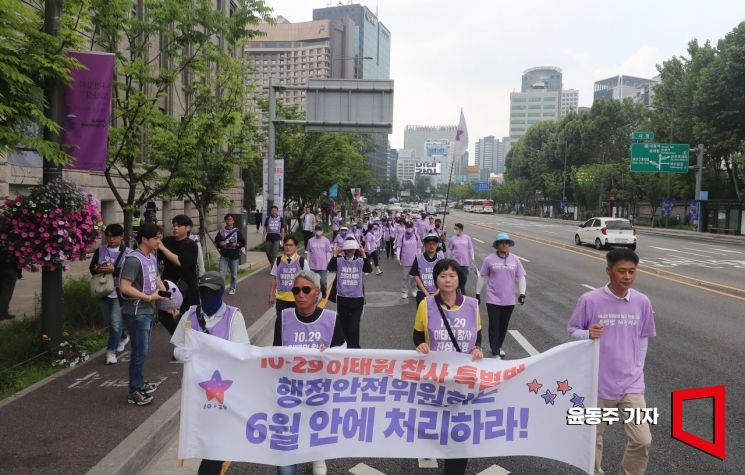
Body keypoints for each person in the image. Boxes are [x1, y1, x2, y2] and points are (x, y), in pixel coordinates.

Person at [568, 248, 655, 475]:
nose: (627, 276)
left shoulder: (642, 302)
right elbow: (572, 329)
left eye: (632, 272)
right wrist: (587, 333)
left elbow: (643, 337)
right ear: (609, 271)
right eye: (621, 271)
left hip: (631, 385)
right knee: (593, 439)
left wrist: (638, 367)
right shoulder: (590, 300)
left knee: (642, 439)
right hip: (597, 383)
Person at [171, 271, 250, 475]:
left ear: (222, 292)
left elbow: (242, 351)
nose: (208, 296)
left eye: (212, 292)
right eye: (204, 291)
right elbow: (177, 346)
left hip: (224, 392)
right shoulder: (190, 315)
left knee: (216, 445)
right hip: (197, 392)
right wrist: (181, 353)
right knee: (203, 438)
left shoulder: (234, 316)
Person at [414, 258, 483, 475]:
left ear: (459, 279)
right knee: (436, 427)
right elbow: (417, 335)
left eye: (452, 275)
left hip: (463, 381)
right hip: (435, 380)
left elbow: (477, 333)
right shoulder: (426, 305)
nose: (447, 280)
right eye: (443, 275)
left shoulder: (472, 305)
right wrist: (421, 344)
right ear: (436, 279)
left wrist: (478, 348)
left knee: (459, 432)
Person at [273, 271, 345, 475]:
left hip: (318, 392)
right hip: (289, 394)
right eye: (296, 290)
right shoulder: (284, 318)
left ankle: (317, 455)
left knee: (315, 429)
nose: (300, 294)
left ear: (317, 293)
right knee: (286, 468)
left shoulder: (331, 319)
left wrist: (330, 354)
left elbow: (343, 353)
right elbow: (274, 355)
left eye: (306, 290)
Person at [119, 223, 171, 406]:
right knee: (140, 351)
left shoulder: (151, 257)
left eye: (159, 237)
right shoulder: (134, 260)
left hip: (147, 311)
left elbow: (157, 280)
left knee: (143, 350)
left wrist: (168, 302)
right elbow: (125, 287)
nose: (159, 241)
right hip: (136, 312)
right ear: (144, 239)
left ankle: (139, 383)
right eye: (156, 237)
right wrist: (148, 298)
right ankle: (134, 390)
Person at [476, 233, 526, 358]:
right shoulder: (489, 259)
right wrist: (477, 293)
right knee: (494, 324)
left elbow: (521, 277)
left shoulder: (515, 259)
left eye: (506, 243)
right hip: (493, 299)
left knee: (503, 325)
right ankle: (495, 351)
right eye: (501, 243)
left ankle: (499, 346)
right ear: (497, 245)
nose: (504, 245)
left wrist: (522, 293)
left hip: (509, 300)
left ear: (509, 245)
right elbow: (482, 277)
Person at [89, 223, 130, 364]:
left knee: (115, 323)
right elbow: (92, 269)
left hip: (118, 293)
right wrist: (98, 268)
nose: (111, 239)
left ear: (122, 237)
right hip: (102, 291)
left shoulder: (128, 253)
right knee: (111, 323)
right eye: (109, 236)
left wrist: (115, 271)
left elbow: (129, 273)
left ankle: (110, 352)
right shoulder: (100, 251)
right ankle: (123, 337)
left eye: (114, 236)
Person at [158, 214, 200, 335]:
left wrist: (163, 248)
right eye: (174, 225)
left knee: (188, 316)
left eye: (179, 225)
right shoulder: (166, 241)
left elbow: (180, 262)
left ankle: (188, 341)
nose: (175, 228)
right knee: (164, 315)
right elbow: (155, 259)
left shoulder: (191, 245)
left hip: (187, 286)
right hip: (168, 285)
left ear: (188, 228)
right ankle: (179, 339)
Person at [327, 237, 371, 349]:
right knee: (343, 326)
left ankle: (355, 350)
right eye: (348, 248)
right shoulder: (339, 260)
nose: (350, 250)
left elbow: (368, 269)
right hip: (342, 299)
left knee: (353, 328)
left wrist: (363, 254)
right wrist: (335, 253)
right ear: (345, 249)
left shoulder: (360, 261)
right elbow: (330, 267)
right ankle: (345, 348)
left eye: (353, 248)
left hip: (357, 300)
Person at [268, 236, 310, 320]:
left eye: (291, 245)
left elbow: (308, 281)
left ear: (295, 247)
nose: (288, 247)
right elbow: (274, 278)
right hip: (281, 300)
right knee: (282, 324)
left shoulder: (302, 261)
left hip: (297, 300)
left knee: (296, 324)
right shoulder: (278, 260)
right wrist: (271, 295)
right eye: (286, 245)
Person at [214, 214, 246, 295]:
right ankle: (220, 289)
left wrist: (237, 245)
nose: (229, 221)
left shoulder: (237, 231)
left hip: (234, 255)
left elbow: (243, 242)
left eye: (231, 219)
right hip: (224, 255)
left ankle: (232, 288)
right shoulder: (221, 231)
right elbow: (216, 241)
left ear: (233, 221)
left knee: (234, 274)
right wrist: (220, 244)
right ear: (225, 220)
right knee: (221, 273)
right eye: (227, 219)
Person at [410, 233, 445, 306]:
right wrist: (426, 293)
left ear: (437, 245)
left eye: (434, 244)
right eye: (429, 244)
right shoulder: (418, 257)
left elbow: (444, 276)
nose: (431, 246)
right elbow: (416, 275)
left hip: (438, 293)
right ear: (424, 245)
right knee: (423, 316)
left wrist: (437, 292)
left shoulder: (441, 258)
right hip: (422, 293)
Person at [447, 223, 475, 294]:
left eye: (456, 229)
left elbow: (470, 248)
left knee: (464, 277)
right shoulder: (452, 238)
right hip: (455, 262)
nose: (455, 230)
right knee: (455, 277)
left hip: (465, 262)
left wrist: (472, 257)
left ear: (461, 229)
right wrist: (447, 259)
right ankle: (456, 289)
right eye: (454, 229)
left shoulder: (467, 238)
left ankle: (462, 288)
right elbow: (449, 249)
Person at [397, 222, 421, 299]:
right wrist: (398, 257)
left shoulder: (416, 236)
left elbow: (419, 248)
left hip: (414, 260)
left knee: (414, 277)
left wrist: (419, 257)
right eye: (408, 227)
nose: (409, 228)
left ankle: (414, 290)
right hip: (405, 259)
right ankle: (405, 291)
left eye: (410, 226)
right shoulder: (402, 236)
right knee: (405, 277)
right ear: (405, 227)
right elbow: (399, 247)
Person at [305, 224, 332, 296]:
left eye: (320, 230)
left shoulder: (326, 241)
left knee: (323, 281)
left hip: (323, 265)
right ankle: (314, 295)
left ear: (322, 231)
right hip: (313, 265)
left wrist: (329, 264)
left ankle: (323, 291)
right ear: (314, 231)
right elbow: (309, 252)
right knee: (313, 281)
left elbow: (328, 253)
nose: (318, 231)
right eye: (317, 230)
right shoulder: (310, 241)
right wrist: (307, 263)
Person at [0, 248, 21, 321]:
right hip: (10, 269)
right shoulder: (13, 241)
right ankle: (2, 313)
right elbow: (18, 258)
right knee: (6, 293)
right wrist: (19, 273)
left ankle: (4, 313)